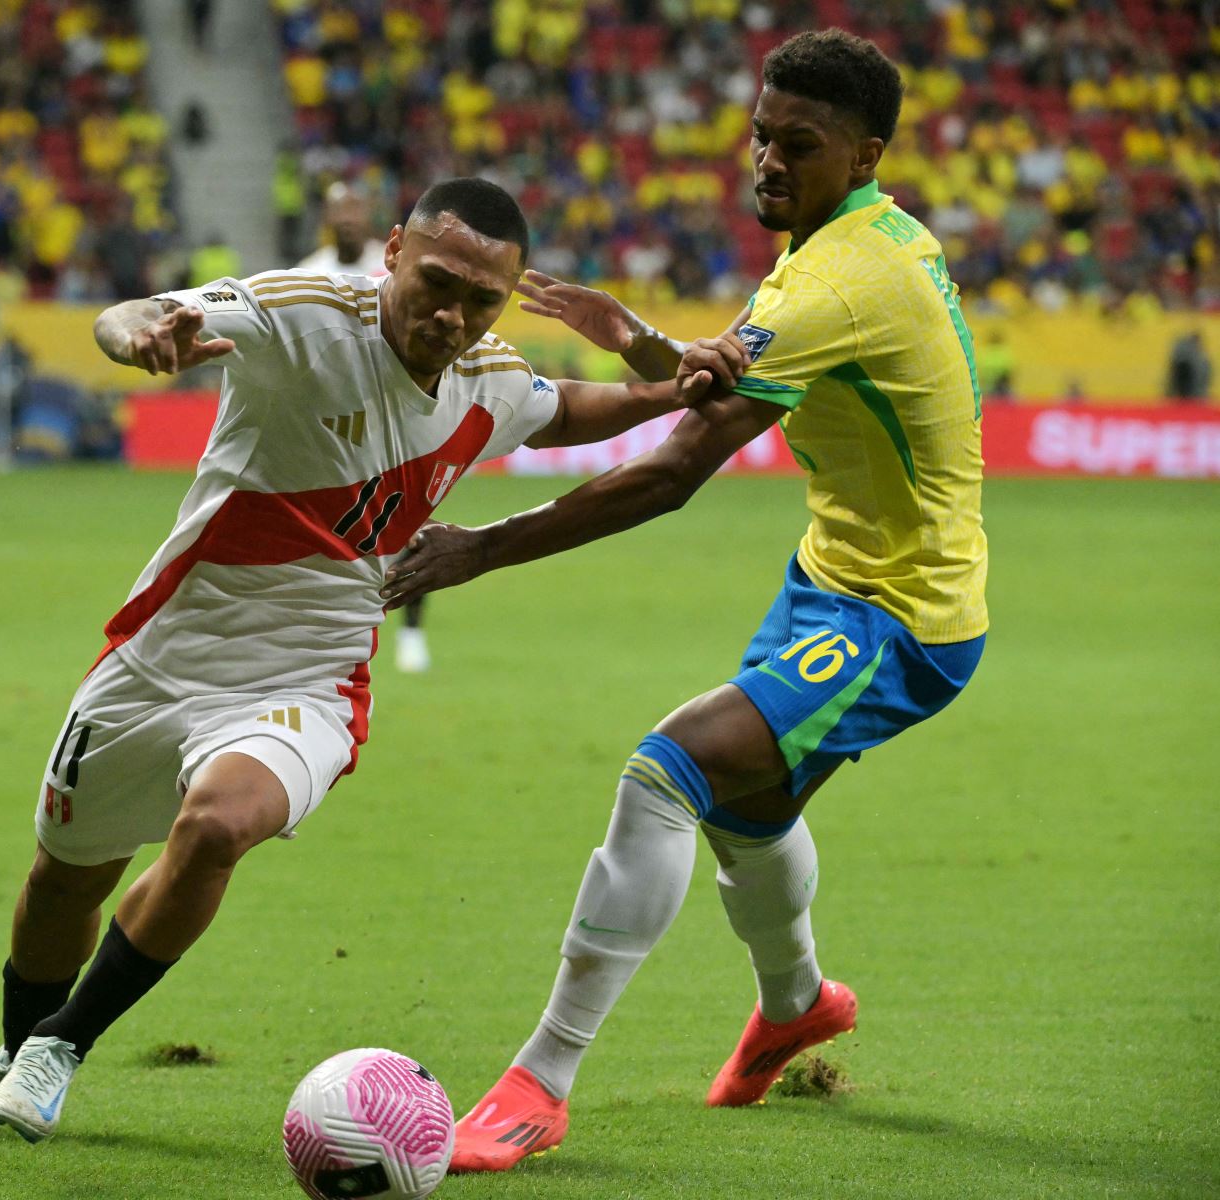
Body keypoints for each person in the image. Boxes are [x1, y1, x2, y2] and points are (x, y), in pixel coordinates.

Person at [0, 177, 723, 1141]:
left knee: (215, 826)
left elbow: (583, 406)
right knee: (65, 877)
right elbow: (142, 314)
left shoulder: (489, 377)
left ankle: (61, 1045)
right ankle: (13, 1052)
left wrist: (654, 359)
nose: (453, 314)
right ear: (391, 251)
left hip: (311, 673)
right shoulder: (302, 313)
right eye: (437, 282)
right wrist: (138, 335)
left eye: (482, 299)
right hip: (170, 646)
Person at [380, 31, 988, 1173]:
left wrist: (482, 551)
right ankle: (798, 1004)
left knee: (668, 771)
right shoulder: (849, 242)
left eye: (796, 145)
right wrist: (631, 332)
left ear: (865, 150)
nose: (765, 160)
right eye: (760, 133)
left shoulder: (839, 280)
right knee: (747, 812)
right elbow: (723, 375)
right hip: (834, 581)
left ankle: (542, 1081)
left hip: (903, 622)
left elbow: (669, 473)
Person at [299, 183, 434, 671]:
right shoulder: (309, 273)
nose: (348, 217)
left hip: (399, 422)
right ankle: (333, 636)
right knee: (334, 537)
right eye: (340, 209)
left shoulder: (395, 264)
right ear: (329, 217)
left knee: (412, 525)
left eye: (355, 207)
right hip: (335, 429)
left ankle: (413, 632)